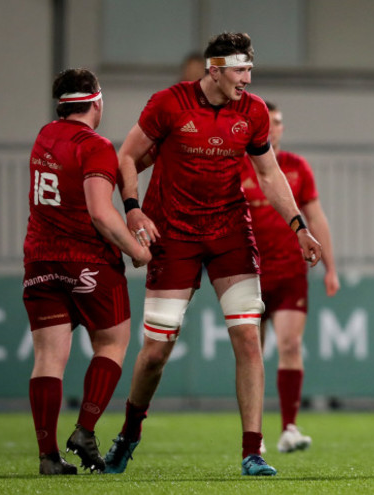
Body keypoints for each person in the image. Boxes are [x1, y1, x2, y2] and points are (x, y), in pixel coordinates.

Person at [103, 32, 322, 477]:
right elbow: (126, 156)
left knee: (247, 338)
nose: (247, 78)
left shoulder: (254, 111)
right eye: (240, 70)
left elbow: (268, 173)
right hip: (175, 233)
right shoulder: (168, 103)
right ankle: (128, 434)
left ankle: (252, 451)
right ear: (215, 70)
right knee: (157, 350)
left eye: (249, 70)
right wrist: (132, 210)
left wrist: (299, 225)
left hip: (229, 233)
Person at [23, 68, 152, 475]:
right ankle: (85, 431)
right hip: (89, 263)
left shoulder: (45, 135)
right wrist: (136, 251)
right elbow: (100, 213)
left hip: (40, 260)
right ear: (97, 102)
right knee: (112, 343)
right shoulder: (95, 146)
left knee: (47, 358)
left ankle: (47, 456)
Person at [241, 102, 339, 454]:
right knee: (252, 352)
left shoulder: (297, 168)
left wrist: (330, 267)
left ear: (281, 128)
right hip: (247, 273)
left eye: (278, 122)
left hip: (290, 272)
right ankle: (255, 435)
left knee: (290, 346)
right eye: (269, 122)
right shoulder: (239, 166)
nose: (274, 128)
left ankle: (289, 429)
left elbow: (317, 218)